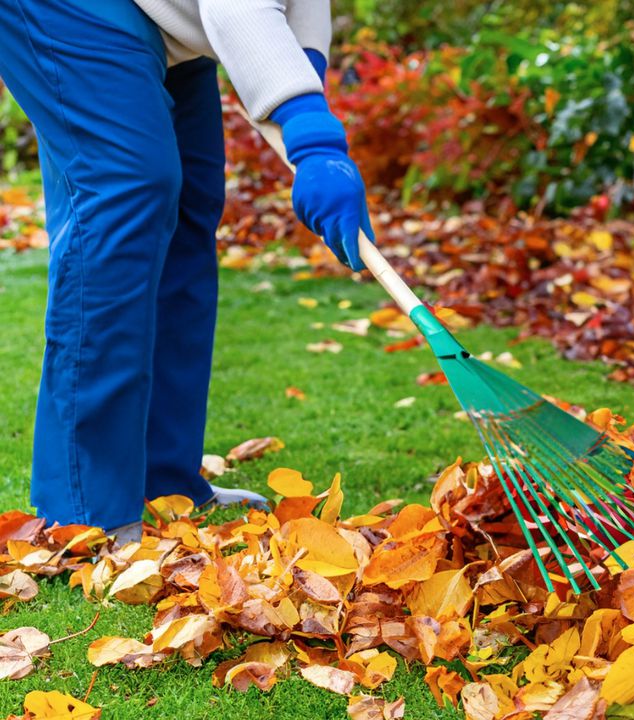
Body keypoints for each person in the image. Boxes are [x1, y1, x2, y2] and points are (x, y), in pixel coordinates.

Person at [0, 0, 374, 545]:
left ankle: (163, 480)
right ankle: (89, 511)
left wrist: (303, 89)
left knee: (190, 200)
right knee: (128, 187)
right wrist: (314, 138)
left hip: (157, 17)